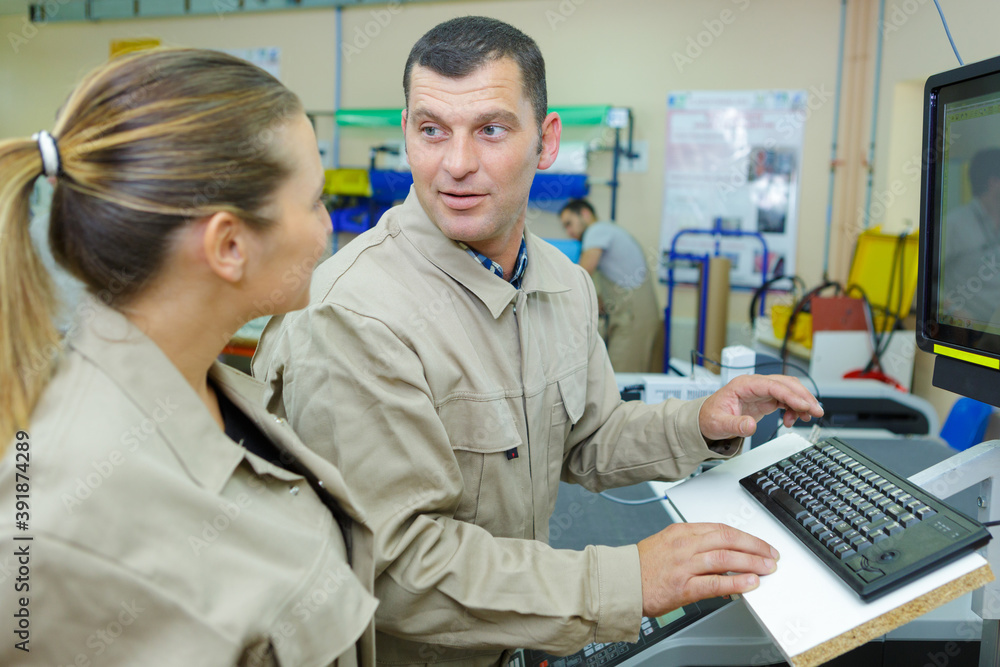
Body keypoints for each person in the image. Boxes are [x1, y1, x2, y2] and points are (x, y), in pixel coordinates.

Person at [254, 16, 823, 667]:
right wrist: (625, 581)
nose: (456, 164)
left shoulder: (561, 282)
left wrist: (698, 422)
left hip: (518, 642)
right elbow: (399, 570)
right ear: (406, 132)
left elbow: (590, 436)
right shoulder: (354, 312)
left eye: (490, 130)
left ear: (546, 142)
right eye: (432, 130)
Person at [0, 48, 377, 666]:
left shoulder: (210, 389)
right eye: (314, 201)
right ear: (229, 245)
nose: (327, 226)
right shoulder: (63, 528)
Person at [560, 198, 660, 372]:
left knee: (622, 375)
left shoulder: (597, 230)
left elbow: (582, 274)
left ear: (585, 214)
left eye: (569, 224)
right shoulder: (609, 231)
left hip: (633, 316)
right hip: (632, 314)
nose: (569, 232)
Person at [940, 147, 1000, 328]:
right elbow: (925, 279)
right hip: (971, 332)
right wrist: (954, 309)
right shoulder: (954, 224)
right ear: (993, 183)